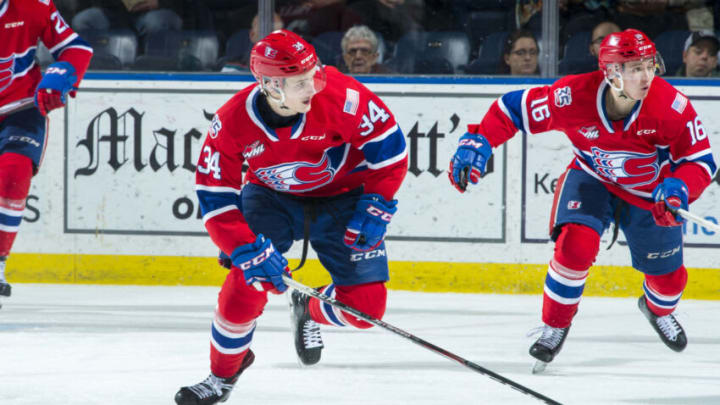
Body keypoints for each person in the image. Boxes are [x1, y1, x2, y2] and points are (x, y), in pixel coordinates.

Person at [448, 29, 716, 370]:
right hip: (592, 178)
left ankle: (656, 309)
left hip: (651, 195)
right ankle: (554, 326)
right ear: (611, 73)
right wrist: (480, 141)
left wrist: (679, 187)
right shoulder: (572, 97)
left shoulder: (670, 107)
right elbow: (511, 108)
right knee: (575, 246)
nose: (646, 76)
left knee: (669, 283)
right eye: (635, 68)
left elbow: (700, 160)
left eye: (649, 65)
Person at [175, 29, 407, 404]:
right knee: (245, 282)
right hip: (271, 197)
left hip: (345, 198)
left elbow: (391, 152)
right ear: (269, 84)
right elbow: (215, 195)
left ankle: (310, 309)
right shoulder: (232, 122)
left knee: (365, 311)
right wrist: (239, 245)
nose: (312, 87)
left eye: (312, 74)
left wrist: (377, 203)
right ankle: (222, 375)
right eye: (299, 82)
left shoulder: (343, 96)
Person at [0, 0, 93, 302]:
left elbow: (76, 48)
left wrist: (61, 75)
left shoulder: (33, 5)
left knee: (14, 176)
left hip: (20, 107)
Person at [220, 12, 284, 73]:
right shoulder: (234, 69)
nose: (274, 40)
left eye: (279, 35)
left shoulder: (287, 63)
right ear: (252, 35)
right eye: (268, 34)